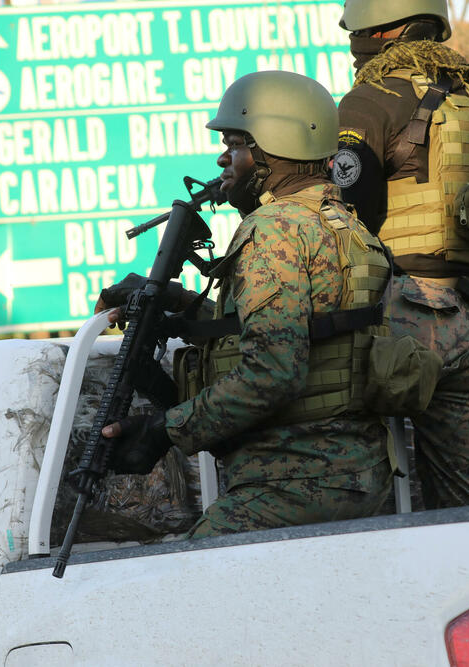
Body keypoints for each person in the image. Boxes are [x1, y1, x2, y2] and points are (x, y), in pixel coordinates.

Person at [99, 71, 394, 538]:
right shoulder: (345, 225)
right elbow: (305, 330)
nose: (222, 158)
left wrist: (163, 430)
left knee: (186, 580)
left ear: (270, 147)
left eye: (235, 143)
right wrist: (181, 305)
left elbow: (273, 371)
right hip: (359, 479)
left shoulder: (273, 229)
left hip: (290, 482)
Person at [333, 0, 469, 508]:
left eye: (354, 36)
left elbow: (347, 211)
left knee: (351, 480)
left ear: (379, 32)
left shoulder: (370, 99)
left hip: (403, 325)